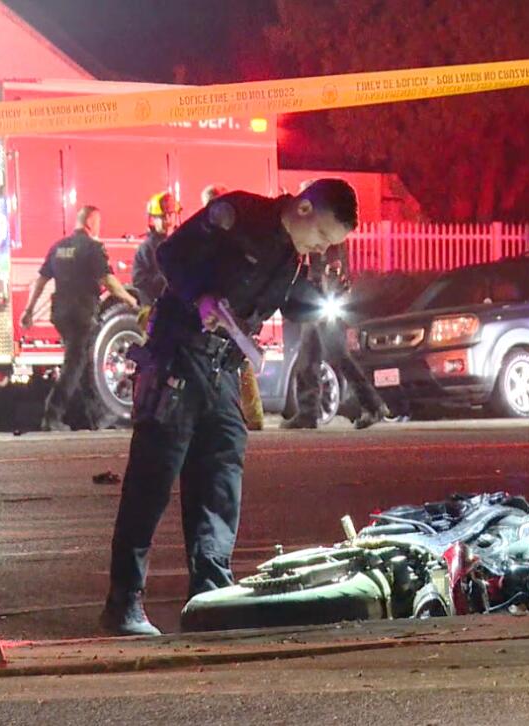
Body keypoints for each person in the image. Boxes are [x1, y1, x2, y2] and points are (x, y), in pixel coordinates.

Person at [99, 179, 358, 635]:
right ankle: (124, 603)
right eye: (320, 236)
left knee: (221, 474)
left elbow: (288, 305)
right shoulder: (237, 215)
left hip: (222, 369)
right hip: (178, 355)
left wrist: (324, 298)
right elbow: (171, 255)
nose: (318, 248)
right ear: (302, 209)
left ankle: (212, 596)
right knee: (152, 480)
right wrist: (200, 297)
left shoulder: (291, 259)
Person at [20, 206, 138, 432]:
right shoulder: (93, 248)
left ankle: (96, 419)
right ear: (92, 224)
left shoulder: (58, 247)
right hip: (81, 314)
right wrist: (130, 301)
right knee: (74, 366)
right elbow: (109, 281)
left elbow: (41, 281)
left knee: (82, 363)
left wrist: (29, 310)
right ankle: (52, 416)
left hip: (61, 314)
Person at [281, 249, 389, 430]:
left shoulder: (324, 238)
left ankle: (372, 406)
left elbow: (333, 271)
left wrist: (326, 294)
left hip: (321, 304)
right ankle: (309, 413)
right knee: (312, 358)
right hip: (316, 303)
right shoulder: (319, 238)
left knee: (330, 356)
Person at [200, 184, 265, 432]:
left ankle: (242, 415)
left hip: (227, 308)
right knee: (236, 360)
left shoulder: (220, 236)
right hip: (225, 308)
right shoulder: (232, 233)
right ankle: (246, 415)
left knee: (236, 360)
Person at [132, 191, 180, 305]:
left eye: (171, 215)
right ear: (153, 220)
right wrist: (164, 278)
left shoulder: (182, 243)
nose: (168, 220)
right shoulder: (146, 248)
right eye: (162, 217)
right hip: (156, 307)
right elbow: (138, 281)